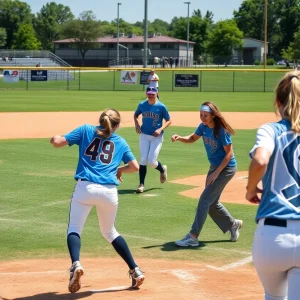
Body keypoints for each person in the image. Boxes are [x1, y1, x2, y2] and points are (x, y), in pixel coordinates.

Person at [50, 108, 145, 293]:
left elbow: (59, 142)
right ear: (116, 125)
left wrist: (54, 137)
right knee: (109, 232)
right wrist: (119, 170)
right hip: (109, 192)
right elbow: (134, 167)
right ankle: (135, 270)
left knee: (75, 228)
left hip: (85, 188)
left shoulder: (86, 130)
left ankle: (76, 264)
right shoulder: (120, 141)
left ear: (100, 119)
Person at [246, 71, 300, 300]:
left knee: (274, 295)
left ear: (278, 102)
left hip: (273, 236)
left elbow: (260, 160)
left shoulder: (271, 129)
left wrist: (250, 189)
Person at [172, 102, 243, 247]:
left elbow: (229, 154)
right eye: (201, 115)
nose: (203, 118)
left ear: (212, 115)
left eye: (205, 115)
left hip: (226, 168)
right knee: (211, 203)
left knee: (204, 200)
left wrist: (216, 173)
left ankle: (193, 236)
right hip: (215, 167)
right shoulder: (203, 127)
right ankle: (232, 224)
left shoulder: (221, 130)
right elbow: (192, 138)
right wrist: (179, 138)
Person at [134, 86, 172, 193]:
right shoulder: (142, 105)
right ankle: (141, 184)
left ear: (157, 94)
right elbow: (135, 115)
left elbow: (169, 120)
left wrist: (160, 129)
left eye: (153, 94)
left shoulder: (161, 106)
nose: (150, 95)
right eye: (149, 93)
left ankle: (162, 169)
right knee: (143, 159)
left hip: (157, 137)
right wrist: (137, 124)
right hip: (144, 135)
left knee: (151, 161)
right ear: (146, 93)